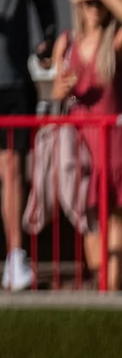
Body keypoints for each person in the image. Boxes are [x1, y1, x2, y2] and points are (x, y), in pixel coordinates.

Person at [52, 0, 122, 290]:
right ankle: (100, 287)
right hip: (81, 141)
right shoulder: (67, 42)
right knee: (88, 217)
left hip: (113, 139)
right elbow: (57, 91)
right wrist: (59, 91)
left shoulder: (117, 40)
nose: (94, 7)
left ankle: (111, 292)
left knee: (114, 214)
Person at [0, 0, 57, 290]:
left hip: (14, 83)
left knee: (12, 168)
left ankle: (15, 257)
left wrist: (48, 37)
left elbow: (45, 7)